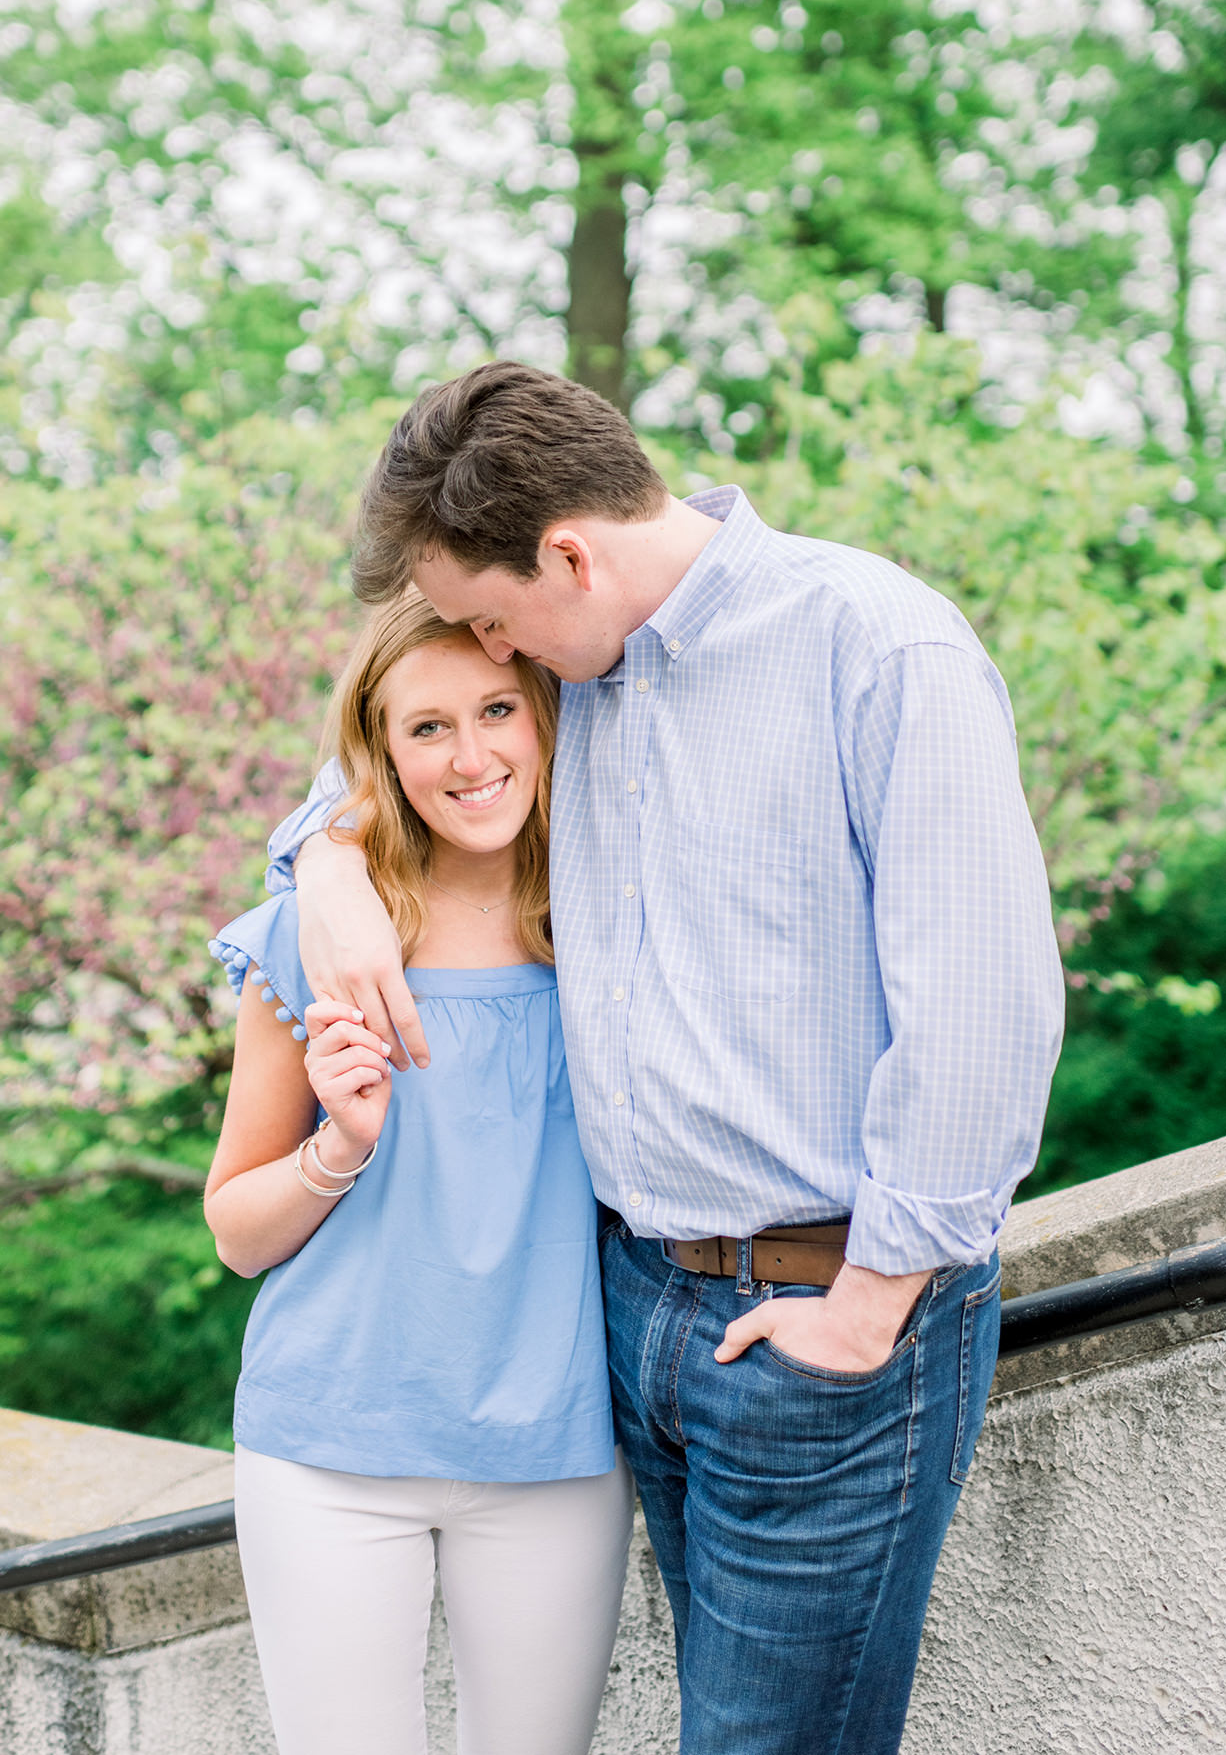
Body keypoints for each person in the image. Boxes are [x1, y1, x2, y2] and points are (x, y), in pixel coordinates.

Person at [273, 362, 1065, 1755]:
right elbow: (389, 766)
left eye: (488, 617)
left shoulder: (872, 645)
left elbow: (984, 1008)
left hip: (825, 1321)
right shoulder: (581, 674)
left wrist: (868, 1302)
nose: (484, 650)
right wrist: (323, 872)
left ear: (568, 553)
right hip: (638, 1311)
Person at [203, 590, 633, 1755]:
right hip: (327, 1452)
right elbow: (237, 1232)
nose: (472, 754)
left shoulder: (613, 927)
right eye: (427, 728)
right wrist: (335, 1149)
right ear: (381, 752)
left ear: (547, 712)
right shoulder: (315, 938)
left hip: (553, 1451)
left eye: (498, 709)